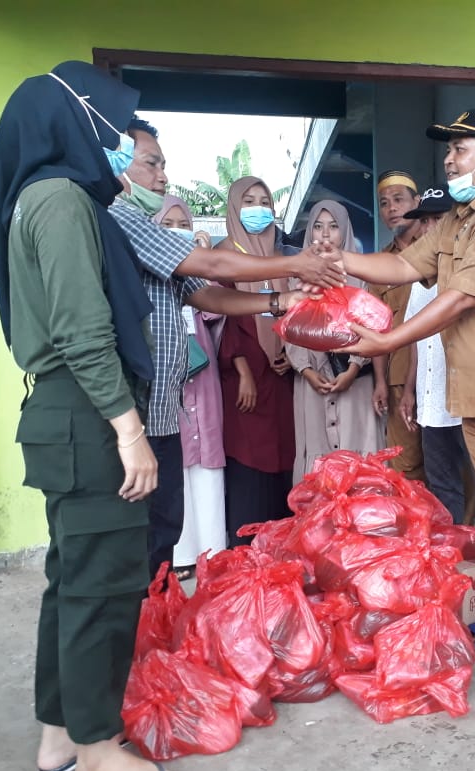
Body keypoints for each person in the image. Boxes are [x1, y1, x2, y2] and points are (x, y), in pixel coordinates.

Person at [0, 60, 170, 771]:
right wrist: (130, 431)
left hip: (67, 409)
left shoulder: (40, 197)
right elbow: (84, 331)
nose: (121, 145)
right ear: (76, 123)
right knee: (104, 591)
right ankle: (97, 748)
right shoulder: (61, 199)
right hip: (88, 410)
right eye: (114, 129)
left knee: (73, 584)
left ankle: (59, 740)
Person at [314, 109, 475, 649]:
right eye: (448, 151)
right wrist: (339, 258)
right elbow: (403, 267)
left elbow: (462, 297)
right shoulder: (458, 219)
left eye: (460, 150)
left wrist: (387, 341)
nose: (449, 160)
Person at [97, 117, 339, 579]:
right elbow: (211, 266)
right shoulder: (121, 218)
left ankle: (155, 607)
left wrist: (279, 300)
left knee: (160, 529)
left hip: (165, 408)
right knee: (141, 539)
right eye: (152, 164)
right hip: (141, 407)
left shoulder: (143, 228)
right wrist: (293, 265)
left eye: (163, 165)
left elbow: (206, 294)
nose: (163, 177)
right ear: (117, 162)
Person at [152, 195, 226, 580]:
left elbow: (215, 310)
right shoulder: (149, 274)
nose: (177, 232)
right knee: (176, 464)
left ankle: (212, 552)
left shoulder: (196, 275)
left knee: (208, 464)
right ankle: (181, 555)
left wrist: (203, 260)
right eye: (168, 225)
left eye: (184, 225)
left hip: (204, 382)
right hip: (168, 383)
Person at [218, 177, 296, 543]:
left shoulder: (284, 261)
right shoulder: (222, 258)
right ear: (235, 207)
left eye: (265, 202)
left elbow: (300, 314)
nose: (258, 209)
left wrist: (293, 353)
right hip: (245, 380)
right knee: (249, 462)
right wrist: (243, 370)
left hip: (282, 378)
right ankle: (245, 551)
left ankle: (280, 553)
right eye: (249, 201)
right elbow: (220, 320)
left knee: (284, 459)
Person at [287, 200, 383, 480]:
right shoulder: (296, 280)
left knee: (358, 447)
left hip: (355, 381)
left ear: (345, 231)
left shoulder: (362, 277)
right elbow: (290, 331)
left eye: (333, 226)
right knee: (317, 451)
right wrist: (306, 370)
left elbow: (371, 327)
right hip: (311, 380)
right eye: (318, 226)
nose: (325, 234)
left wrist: (353, 368)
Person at [397, 185, 475, 524]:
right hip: (432, 401)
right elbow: (417, 338)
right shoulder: (420, 280)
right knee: (443, 486)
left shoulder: (473, 268)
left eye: (437, 219)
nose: (429, 228)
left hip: (468, 400)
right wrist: (410, 391)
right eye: (424, 221)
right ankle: (453, 550)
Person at [367, 170, 426, 482]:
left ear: (417, 202)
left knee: (451, 465)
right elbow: (376, 327)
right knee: (406, 466)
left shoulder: (436, 249)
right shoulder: (379, 263)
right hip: (399, 378)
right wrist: (380, 381)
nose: (391, 208)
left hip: (442, 373)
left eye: (399, 199)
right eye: (384, 203)